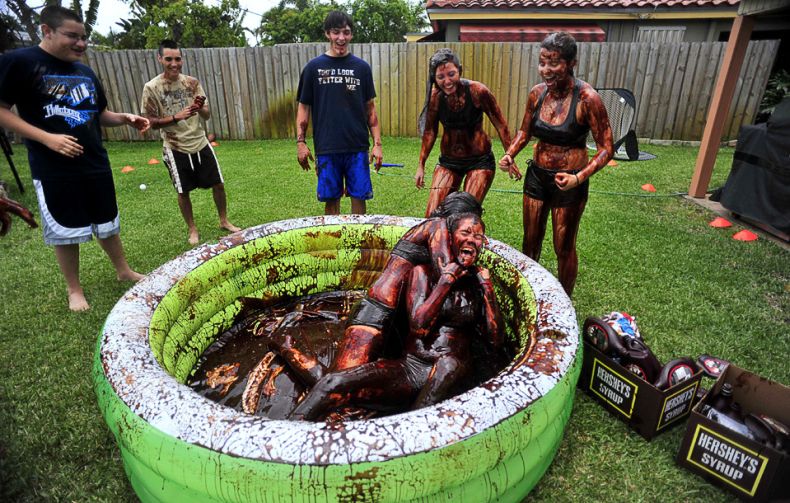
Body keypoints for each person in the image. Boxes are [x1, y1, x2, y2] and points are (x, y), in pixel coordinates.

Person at [0, 6, 150, 311]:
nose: (81, 43)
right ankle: (74, 289)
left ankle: (123, 270)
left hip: (95, 161)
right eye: (72, 36)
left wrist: (124, 118)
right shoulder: (21, 62)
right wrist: (48, 138)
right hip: (54, 168)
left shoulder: (85, 72)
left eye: (84, 37)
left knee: (107, 220)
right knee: (65, 230)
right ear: (47, 31)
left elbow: (99, 114)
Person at [290, 213, 503, 420]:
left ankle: (411, 425)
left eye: (478, 236)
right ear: (450, 238)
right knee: (332, 382)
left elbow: (496, 340)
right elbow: (419, 326)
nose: (471, 239)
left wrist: (487, 287)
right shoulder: (423, 274)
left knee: (448, 365)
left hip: (450, 372)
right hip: (411, 368)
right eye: (465, 233)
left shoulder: (477, 284)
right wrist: (445, 282)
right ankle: (287, 434)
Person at [269, 191, 483, 386]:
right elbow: (445, 270)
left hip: (395, 319)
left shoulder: (440, 230)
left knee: (364, 384)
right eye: (468, 228)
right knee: (332, 382)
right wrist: (477, 270)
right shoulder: (437, 226)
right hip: (375, 314)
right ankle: (284, 346)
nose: (472, 235)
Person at [500, 32, 613, 296]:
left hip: (569, 181)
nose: (545, 70)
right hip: (537, 176)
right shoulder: (537, 94)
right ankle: (527, 295)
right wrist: (510, 154)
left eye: (554, 63)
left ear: (571, 63)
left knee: (563, 246)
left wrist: (579, 177)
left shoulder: (588, 98)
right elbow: (524, 131)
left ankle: (564, 300)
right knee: (530, 241)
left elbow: (607, 148)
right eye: (542, 63)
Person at [141, 39, 240, 246]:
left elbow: (207, 114)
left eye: (177, 59)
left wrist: (200, 107)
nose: (174, 63)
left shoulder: (192, 83)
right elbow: (150, 122)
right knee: (183, 191)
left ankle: (224, 220)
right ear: (160, 59)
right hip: (175, 145)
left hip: (200, 141)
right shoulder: (151, 87)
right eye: (169, 59)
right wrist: (176, 117)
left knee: (218, 184)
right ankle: (192, 229)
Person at [295, 10, 383, 216]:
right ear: (327, 33)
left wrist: (377, 144)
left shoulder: (362, 68)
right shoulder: (313, 68)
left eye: (346, 32)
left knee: (359, 199)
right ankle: (333, 238)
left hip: (357, 147)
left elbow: (370, 109)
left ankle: (357, 238)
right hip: (327, 148)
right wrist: (300, 142)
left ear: (351, 35)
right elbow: (303, 107)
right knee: (331, 201)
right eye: (336, 32)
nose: (341, 38)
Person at [416, 48, 521, 218]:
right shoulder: (435, 98)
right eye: (441, 77)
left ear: (460, 70)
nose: (447, 81)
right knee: (433, 216)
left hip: (479, 161)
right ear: (434, 78)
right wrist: (421, 165)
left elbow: (501, 125)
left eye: (451, 74)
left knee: (464, 215)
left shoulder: (478, 91)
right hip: (449, 162)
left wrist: (510, 155)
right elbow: (429, 132)